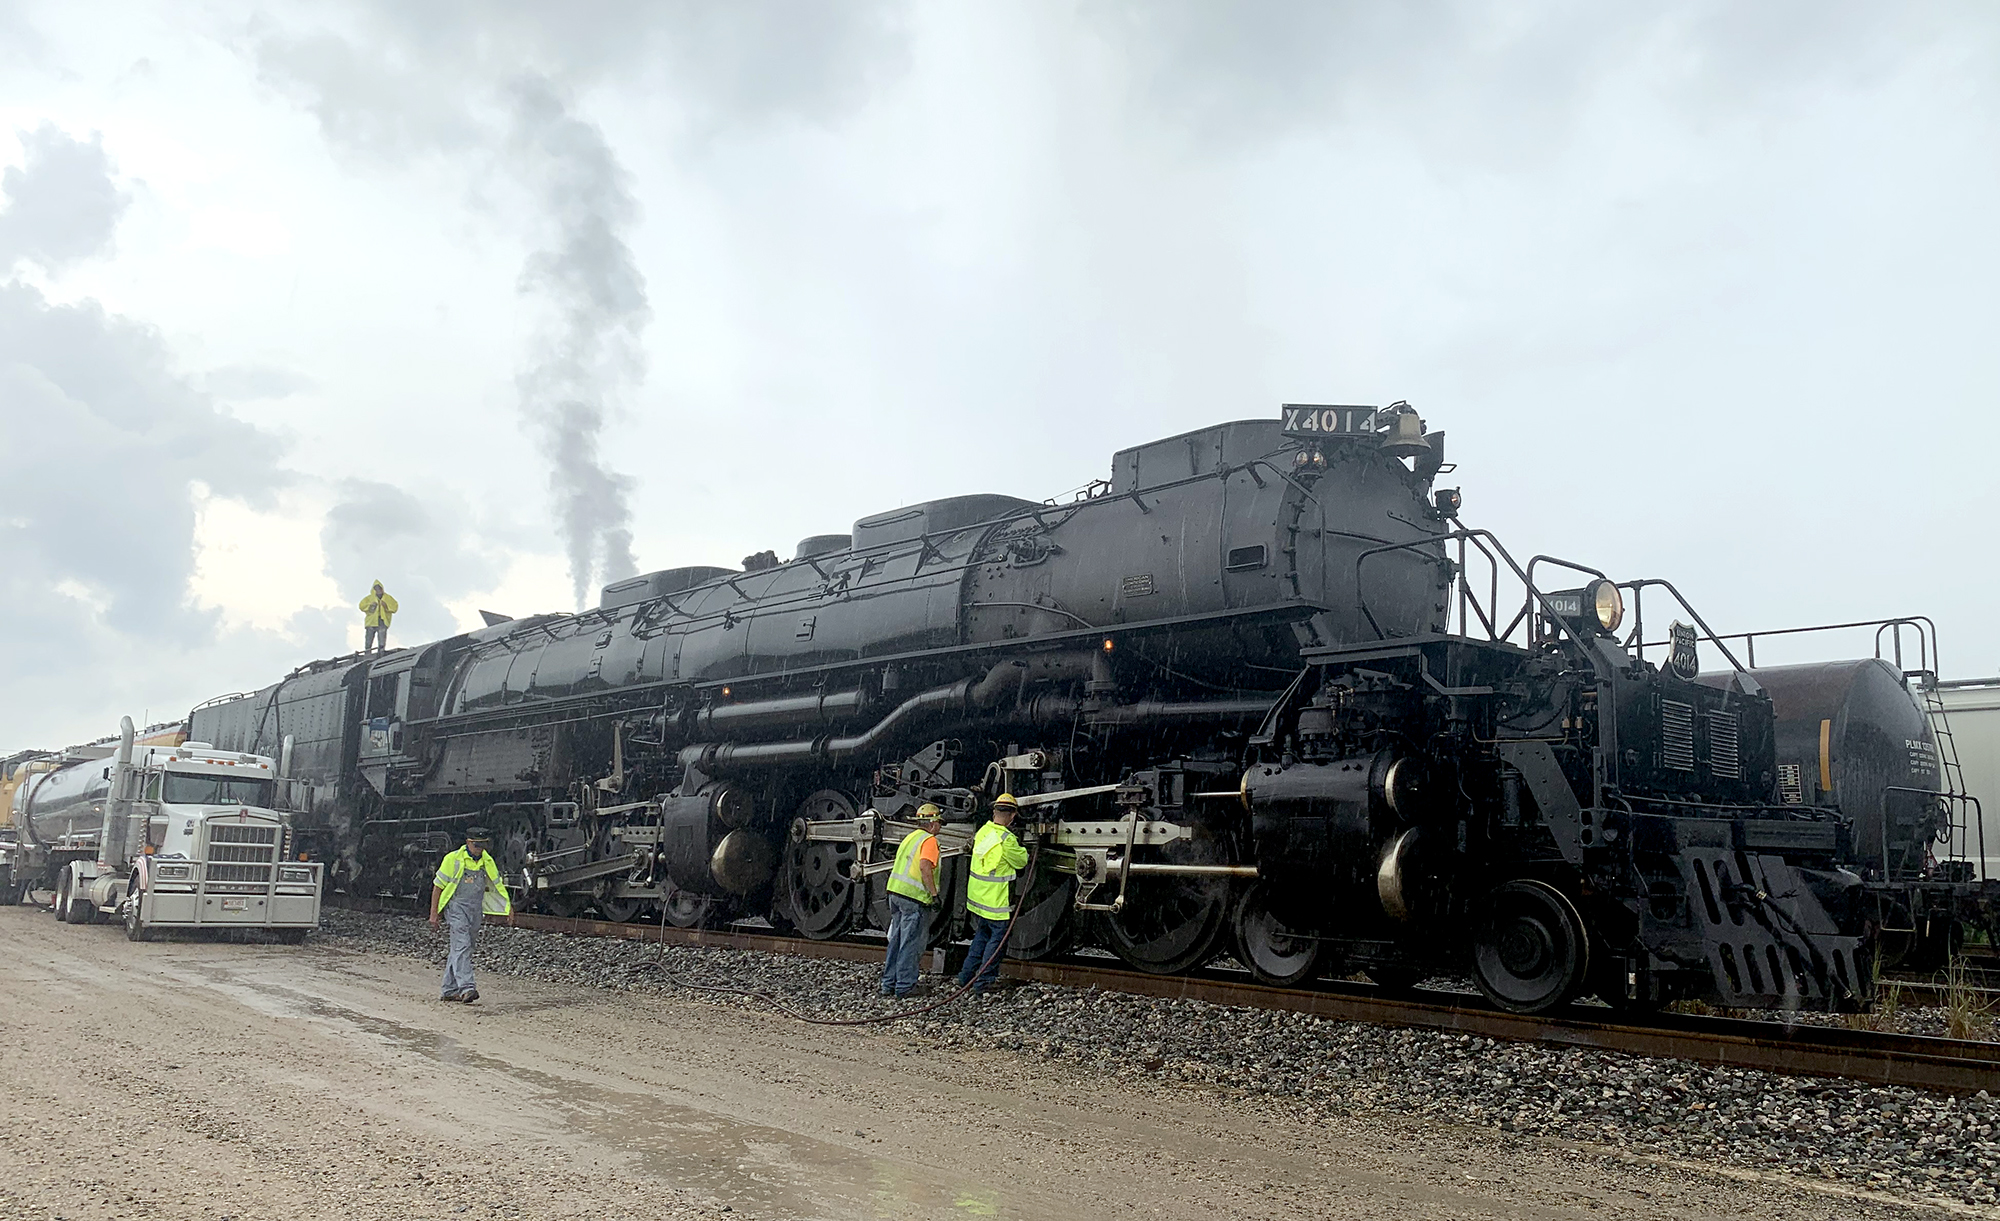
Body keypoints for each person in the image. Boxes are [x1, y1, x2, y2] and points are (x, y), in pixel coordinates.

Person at [955, 792, 1029, 996]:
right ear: (1013, 815)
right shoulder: (1007, 839)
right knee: (996, 942)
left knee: (981, 937)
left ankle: (966, 976)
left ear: (995, 811)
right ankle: (984, 981)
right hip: (997, 903)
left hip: (979, 900)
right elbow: (1022, 861)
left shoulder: (983, 832)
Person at [429, 826, 511, 1002]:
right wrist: (434, 914)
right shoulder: (453, 859)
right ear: (468, 843)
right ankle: (467, 987)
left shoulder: (487, 861)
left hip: (475, 910)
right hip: (456, 907)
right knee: (462, 945)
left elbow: (497, 887)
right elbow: (438, 886)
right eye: (476, 845)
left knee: (463, 948)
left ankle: (449, 989)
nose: (479, 849)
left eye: (482, 846)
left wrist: (507, 908)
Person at [879, 802, 944, 998]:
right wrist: (934, 894)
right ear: (932, 823)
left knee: (897, 941)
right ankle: (905, 986)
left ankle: (888, 984)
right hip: (914, 898)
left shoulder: (910, 838)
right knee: (911, 943)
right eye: (939, 822)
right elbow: (925, 866)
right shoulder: (929, 841)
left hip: (896, 894)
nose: (940, 827)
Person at [359, 580, 399, 654]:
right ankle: (367, 653)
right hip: (371, 622)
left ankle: (381, 652)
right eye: (376, 589)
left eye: (379, 589)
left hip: (382, 621)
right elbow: (361, 606)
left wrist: (386, 607)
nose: (378, 590)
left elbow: (395, 607)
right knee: (369, 640)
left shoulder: (388, 598)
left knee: (381, 640)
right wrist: (370, 606)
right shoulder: (369, 599)